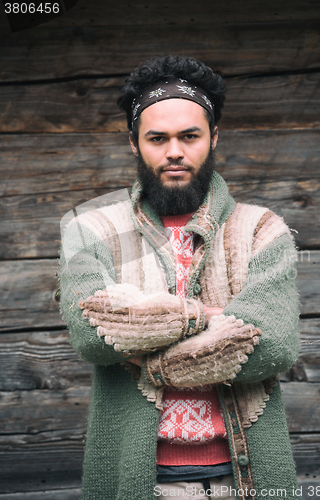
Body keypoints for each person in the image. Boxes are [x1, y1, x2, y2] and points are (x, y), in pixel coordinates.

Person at [59, 55, 301, 500]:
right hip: (137, 476)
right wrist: (210, 318)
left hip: (245, 475)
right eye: (158, 138)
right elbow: (91, 334)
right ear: (134, 143)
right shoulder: (90, 231)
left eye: (189, 136)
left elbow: (273, 345)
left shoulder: (263, 230)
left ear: (213, 138)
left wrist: (143, 339)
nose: (174, 151)